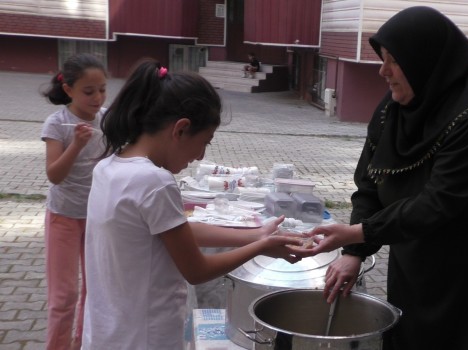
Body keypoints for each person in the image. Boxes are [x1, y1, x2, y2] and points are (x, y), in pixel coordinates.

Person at [306, 7, 468, 350]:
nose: (382, 71)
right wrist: (355, 251)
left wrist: (359, 232)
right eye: (383, 58)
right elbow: (369, 184)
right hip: (421, 242)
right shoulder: (391, 110)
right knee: (415, 330)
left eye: (394, 60)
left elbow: (438, 202)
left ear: (425, 61)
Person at [81, 58, 312, 349]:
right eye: (205, 141)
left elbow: (177, 230)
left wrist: (256, 234)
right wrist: (263, 247)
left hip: (107, 330)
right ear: (180, 129)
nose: (201, 157)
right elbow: (197, 270)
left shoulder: (109, 167)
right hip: (145, 336)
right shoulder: (154, 181)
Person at [40, 53, 107, 350]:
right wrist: (77, 145)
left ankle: (81, 344)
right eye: (88, 91)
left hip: (97, 217)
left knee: (94, 291)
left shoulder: (107, 119)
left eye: (103, 89)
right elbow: (54, 175)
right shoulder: (58, 123)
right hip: (64, 216)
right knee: (63, 297)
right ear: (68, 90)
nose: (97, 97)